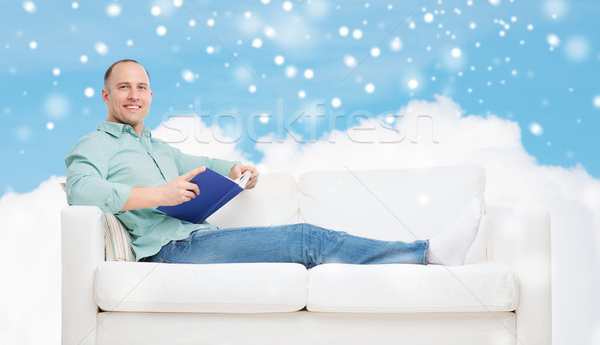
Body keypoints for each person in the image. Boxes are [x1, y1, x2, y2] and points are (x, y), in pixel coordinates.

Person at [65, 59, 481, 267]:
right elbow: (81, 190)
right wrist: (158, 194)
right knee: (305, 238)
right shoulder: (97, 143)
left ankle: (422, 254)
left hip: (195, 239)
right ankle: (427, 254)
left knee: (303, 239)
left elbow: (204, 160)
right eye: (123, 87)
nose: (134, 95)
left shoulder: (159, 148)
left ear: (151, 96)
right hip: (169, 252)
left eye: (142, 87)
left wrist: (234, 170)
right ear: (107, 96)